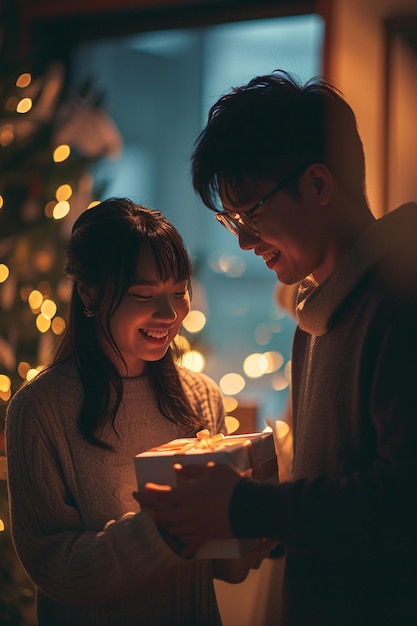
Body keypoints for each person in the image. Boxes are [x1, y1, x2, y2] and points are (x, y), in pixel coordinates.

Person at [137, 71, 417, 625]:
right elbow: (338, 493)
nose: (242, 240)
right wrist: (260, 525)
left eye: (252, 213)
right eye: (231, 219)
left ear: (317, 185)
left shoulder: (400, 301)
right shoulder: (315, 313)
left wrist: (246, 506)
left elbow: (401, 502)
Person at [5, 198, 268, 626]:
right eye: (144, 295)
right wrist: (163, 529)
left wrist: (252, 523)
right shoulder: (40, 410)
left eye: (179, 293)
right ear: (88, 290)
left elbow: (224, 567)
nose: (169, 314)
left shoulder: (200, 396)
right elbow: (56, 567)